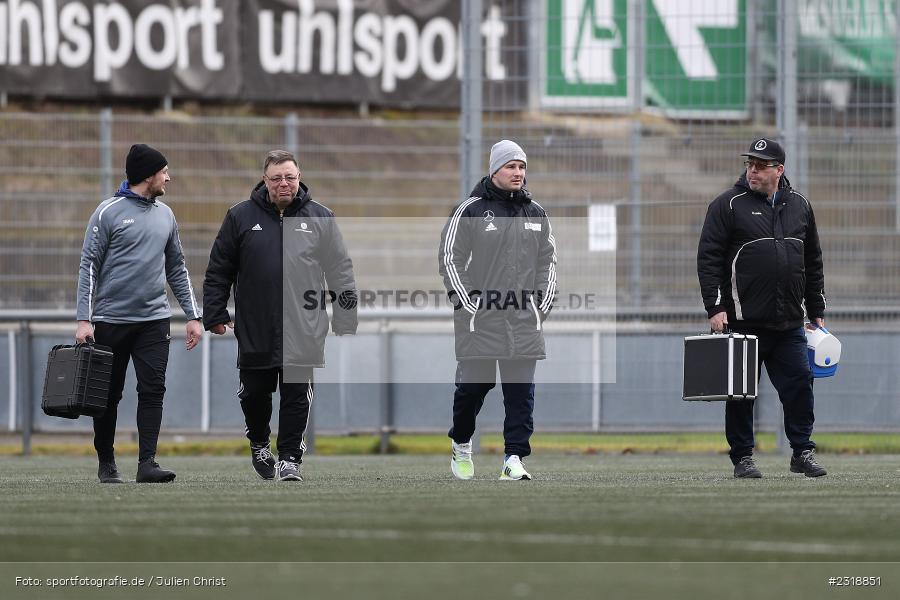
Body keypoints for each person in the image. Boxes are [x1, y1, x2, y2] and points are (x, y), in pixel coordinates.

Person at [203, 149, 357, 482]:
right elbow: (219, 269)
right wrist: (214, 311)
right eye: (276, 178)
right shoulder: (239, 217)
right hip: (255, 326)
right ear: (265, 180)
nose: (284, 183)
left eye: (290, 177)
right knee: (254, 394)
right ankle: (259, 442)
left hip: (305, 326)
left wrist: (346, 315)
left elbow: (340, 271)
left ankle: (289, 458)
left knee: (296, 395)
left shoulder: (321, 217)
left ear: (299, 178)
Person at [697, 138, 827, 479]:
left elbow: (812, 260)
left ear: (778, 170)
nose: (753, 170)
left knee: (800, 385)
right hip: (742, 321)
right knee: (741, 396)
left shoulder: (800, 205)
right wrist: (715, 307)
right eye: (749, 164)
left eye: (761, 165)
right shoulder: (727, 205)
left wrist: (816, 307)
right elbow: (708, 258)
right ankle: (743, 457)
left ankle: (802, 451)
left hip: (789, 323)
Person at [76, 143, 203, 484]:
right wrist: (84, 319)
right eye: (164, 172)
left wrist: (193, 316)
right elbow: (89, 266)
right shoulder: (107, 213)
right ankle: (107, 462)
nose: (168, 177)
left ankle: (147, 462)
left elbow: (177, 267)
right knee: (107, 394)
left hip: (154, 322)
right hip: (109, 322)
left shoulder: (167, 214)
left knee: (153, 389)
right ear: (149, 176)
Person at [438, 140, 557, 481]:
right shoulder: (471, 210)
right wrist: (469, 305)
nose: (518, 172)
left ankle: (514, 458)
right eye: (510, 166)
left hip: (524, 321)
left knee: (521, 394)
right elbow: (450, 259)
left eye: (522, 167)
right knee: (473, 389)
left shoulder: (536, 213)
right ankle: (461, 443)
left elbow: (548, 263)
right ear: (494, 170)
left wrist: (539, 307)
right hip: (481, 321)